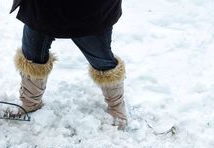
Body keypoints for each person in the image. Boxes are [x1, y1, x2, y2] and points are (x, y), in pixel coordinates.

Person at [10, 0, 127, 129]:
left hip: (89, 10)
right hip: (41, 6)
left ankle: (116, 105)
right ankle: (30, 101)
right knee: (32, 54)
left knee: (101, 58)